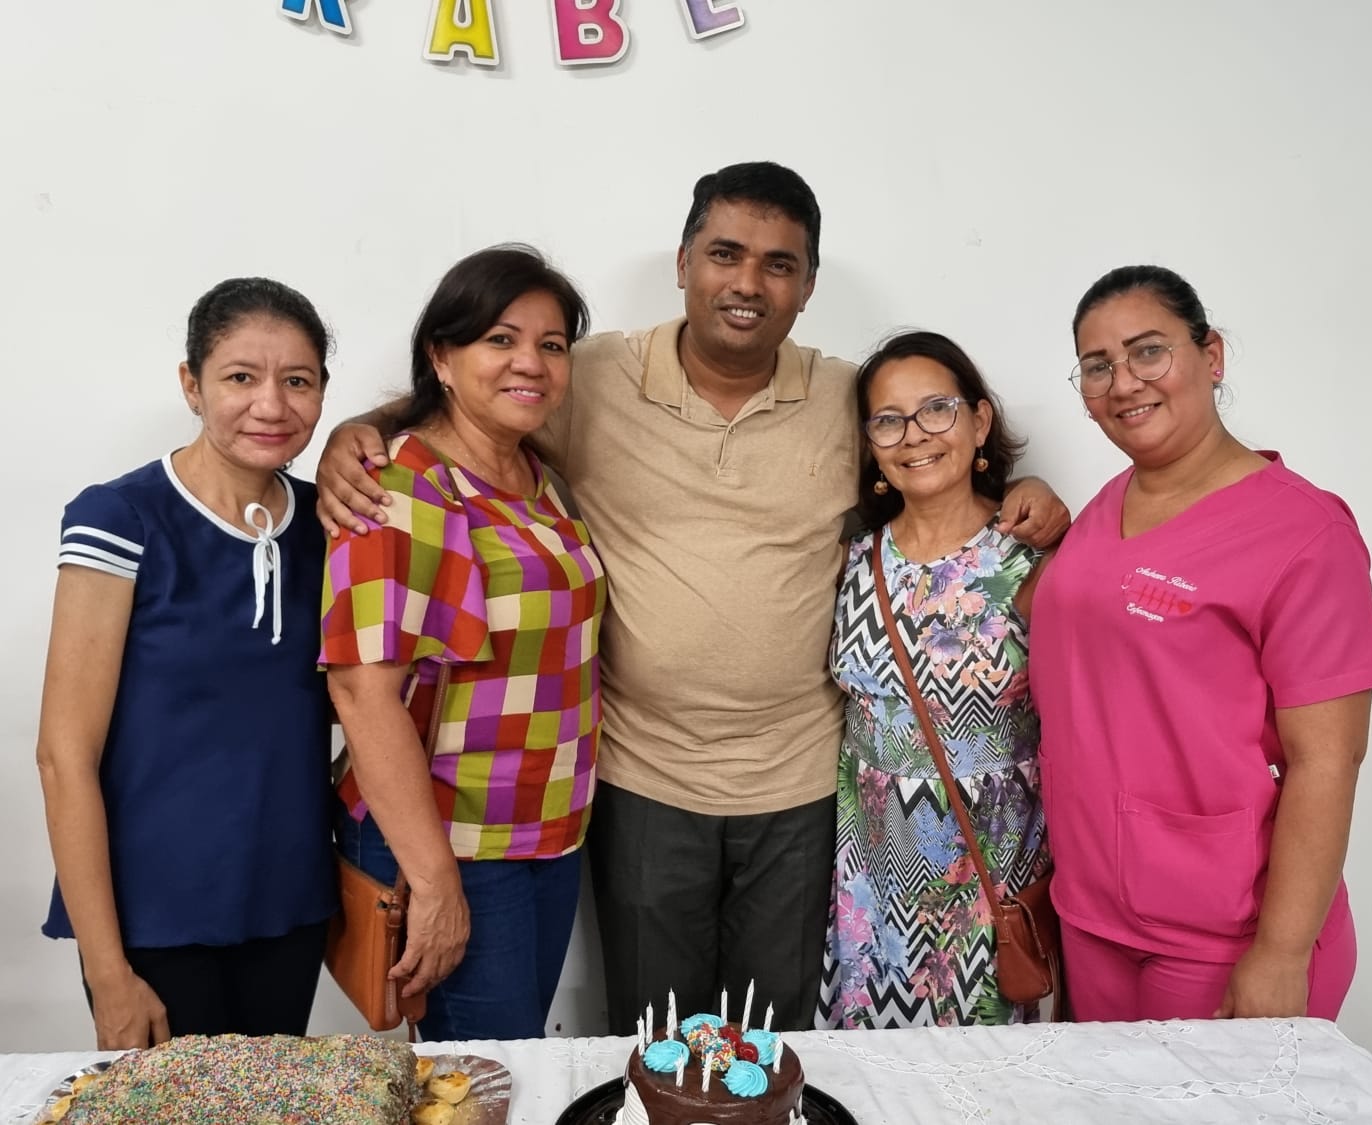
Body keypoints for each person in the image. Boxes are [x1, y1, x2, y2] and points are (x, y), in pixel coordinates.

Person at [316, 163, 1069, 1034]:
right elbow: (476, 407)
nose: (748, 282)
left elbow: (932, 450)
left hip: (796, 782)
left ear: (807, 288)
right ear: (683, 263)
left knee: (773, 1041)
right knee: (655, 1037)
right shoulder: (591, 375)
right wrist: (356, 436)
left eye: (779, 264)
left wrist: (1030, 490)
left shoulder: (846, 396)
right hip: (643, 776)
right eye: (725, 253)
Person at [1029, 265, 1372, 1022]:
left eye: (1148, 351)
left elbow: (1328, 759)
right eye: (1097, 366)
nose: (1124, 382)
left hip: (1223, 935)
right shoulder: (1104, 507)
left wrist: (1282, 953)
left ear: (1212, 355)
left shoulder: (1303, 533)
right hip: (1091, 914)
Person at [36, 278, 338, 1047]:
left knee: (274, 1099)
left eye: (297, 380)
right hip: (152, 917)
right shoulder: (121, 517)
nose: (271, 404)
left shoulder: (329, 526)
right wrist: (108, 971)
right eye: (240, 376)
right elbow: (64, 755)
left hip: (290, 904)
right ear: (191, 384)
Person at [319, 244, 606, 1041]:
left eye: (552, 344)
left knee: (519, 1066)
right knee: (486, 1082)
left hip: (547, 829)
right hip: (453, 841)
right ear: (441, 357)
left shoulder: (537, 474)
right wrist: (435, 881)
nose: (531, 362)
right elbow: (361, 691)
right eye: (500, 339)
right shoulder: (402, 489)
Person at [816, 332, 1049, 1029]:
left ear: (979, 421)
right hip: (870, 877)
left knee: (985, 1065)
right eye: (889, 420)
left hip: (993, 871)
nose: (914, 434)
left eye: (936, 410)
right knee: (873, 1065)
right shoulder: (854, 556)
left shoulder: (1029, 558)